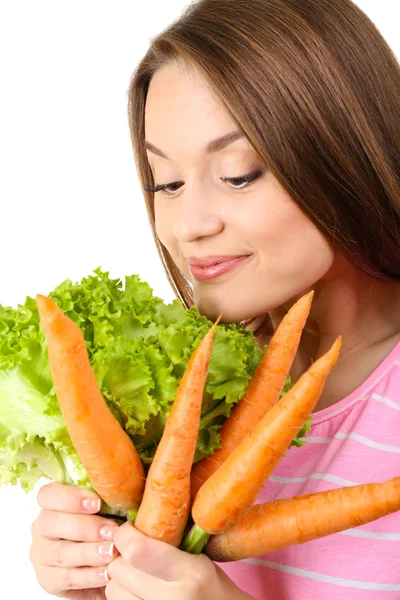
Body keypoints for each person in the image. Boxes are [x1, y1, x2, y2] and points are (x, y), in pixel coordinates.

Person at [29, 0, 400, 598]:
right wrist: (108, 576)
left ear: (344, 155)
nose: (187, 226)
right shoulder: (187, 400)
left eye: (238, 173)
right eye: (166, 184)